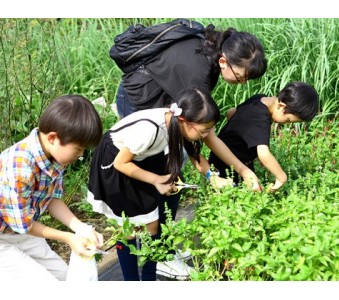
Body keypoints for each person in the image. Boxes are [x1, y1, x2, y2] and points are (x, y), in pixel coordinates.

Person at [114, 20, 268, 278]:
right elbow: (200, 134)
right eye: (241, 77)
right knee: (157, 180)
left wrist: (239, 171)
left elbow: (198, 130)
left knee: (174, 177)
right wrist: (217, 174)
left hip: (167, 105)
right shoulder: (196, 71)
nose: (242, 84)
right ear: (224, 62)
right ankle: (159, 253)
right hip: (139, 103)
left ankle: (163, 244)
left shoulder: (211, 54)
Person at [87, 88, 233, 281]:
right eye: (204, 130)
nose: (207, 135)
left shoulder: (175, 123)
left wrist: (211, 176)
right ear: (185, 121)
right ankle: (132, 281)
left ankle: (148, 280)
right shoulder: (150, 130)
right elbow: (120, 163)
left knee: (151, 224)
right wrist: (157, 180)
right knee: (129, 228)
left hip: (139, 161)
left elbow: (194, 154)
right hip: (117, 165)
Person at [0, 95, 104, 281]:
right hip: (5, 237)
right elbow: (22, 224)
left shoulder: (52, 156)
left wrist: (80, 229)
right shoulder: (20, 167)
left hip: (23, 230)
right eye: (78, 149)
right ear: (53, 138)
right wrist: (68, 238)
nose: (81, 155)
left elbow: (51, 199)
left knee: (65, 277)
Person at [208, 81, 319, 191]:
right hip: (227, 166)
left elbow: (230, 113)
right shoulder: (261, 119)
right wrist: (282, 178)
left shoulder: (259, 99)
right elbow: (264, 154)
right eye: (289, 120)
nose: (287, 124)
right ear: (281, 106)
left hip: (221, 157)